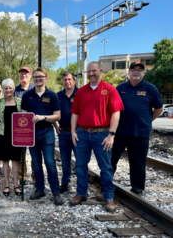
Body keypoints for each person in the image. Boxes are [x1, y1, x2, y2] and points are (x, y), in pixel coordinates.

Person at [69, 61, 124, 213]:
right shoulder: (81, 91)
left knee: (105, 167)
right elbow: (75, 113)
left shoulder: (110, 89)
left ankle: (108, 197)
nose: (91, 74)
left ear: (100, 70)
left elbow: (116, 113)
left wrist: (111, 134)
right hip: (83, 133)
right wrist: (73, 131)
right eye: (89, 71)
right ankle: (81, 193)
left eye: (94, 71)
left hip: (102, 134)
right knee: (80, 165)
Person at [111, 61, 163, 195]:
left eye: (139, 70)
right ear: (129, 72)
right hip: (119, 133)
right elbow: (112, 108)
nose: (136, 72)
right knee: (111, 160)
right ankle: (107, 185)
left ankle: (137, 189)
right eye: (133, 69)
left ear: (143, 73)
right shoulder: (120, 88)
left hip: (140, 134)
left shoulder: (150, 88)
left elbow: (159, 108)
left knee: (138, 163)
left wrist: (147, 120)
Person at [21, 67, 63, 205]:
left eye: (40, 76)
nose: (38, 79)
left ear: (46, 78)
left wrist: (43, 117)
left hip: (47, 131)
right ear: (33, 79)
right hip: (31, 133)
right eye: (35, 77)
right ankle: (40, 189)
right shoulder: (27, 96)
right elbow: (23, 115)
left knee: (50, 163)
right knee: (36, 163)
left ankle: (56, 192)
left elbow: (57, 116)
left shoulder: (52, 95)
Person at [0, 78, 22, 197]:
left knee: (16, 161)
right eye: (6, 88)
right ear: (3, 90)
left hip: (17, 135)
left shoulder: (20, 102)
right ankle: (6, 185)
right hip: (3, 135)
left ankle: (16, 184)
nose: (8, 90)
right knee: (5, 160)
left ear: (14, 89)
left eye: (10, 88)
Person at [53, 71, 78, 193]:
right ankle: (65, 182)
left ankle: (81, 185)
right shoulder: (58, 95)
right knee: (65, 160)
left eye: (69, 79)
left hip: (78, 133)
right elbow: (51, 111)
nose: (67, 82)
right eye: (65, 80)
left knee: (80, 160)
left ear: (74, 80)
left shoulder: (80, 94)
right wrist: (55, 125)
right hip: (63, 132)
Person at [14, 66, 36, 185]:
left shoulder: (35, 88)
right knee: (21, 154)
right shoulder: (15, 91)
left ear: (30, 76)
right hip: (20, 127)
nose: (23, 76)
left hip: (34, 126)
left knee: (35, 154)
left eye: (26, 74)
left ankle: (35, 176)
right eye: (21, 74)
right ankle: (22, 176)